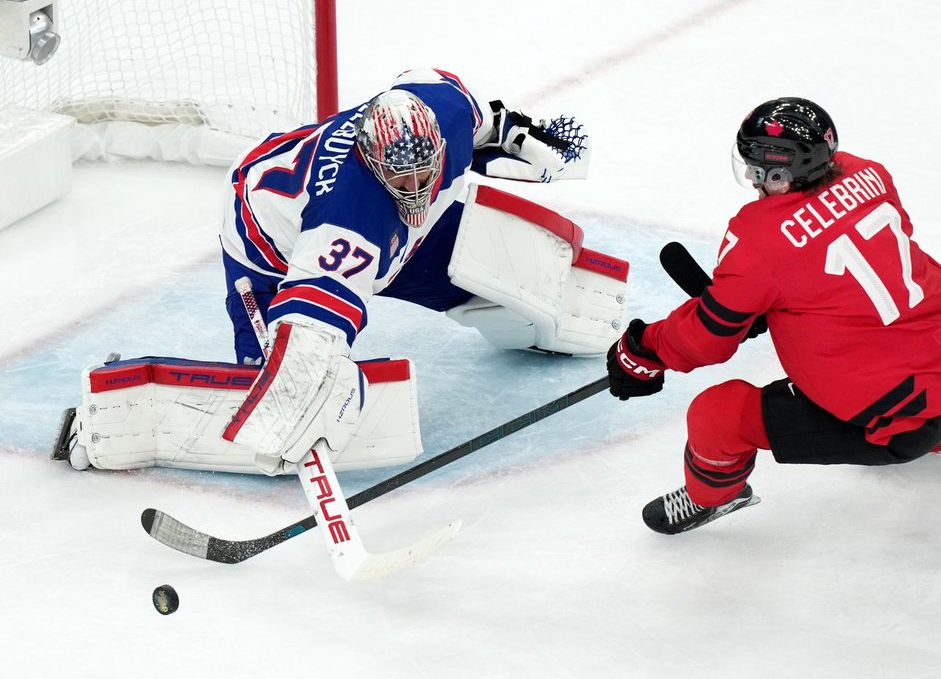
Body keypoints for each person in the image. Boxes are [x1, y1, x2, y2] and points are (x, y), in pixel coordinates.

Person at [54, 68, 628, 477]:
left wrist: (508, 129)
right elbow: (310, 331)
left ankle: (531, 322)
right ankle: (112, 416)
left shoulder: (444, 112)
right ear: (373, 162)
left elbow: (463, 108)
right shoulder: (348, 224)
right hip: (271, 249)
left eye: (423, 174)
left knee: (483, 276)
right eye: (398, 181)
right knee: (273, 407)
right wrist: (312, 377)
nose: (414, 190)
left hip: (379, 231)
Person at [606, 97, 941, 535]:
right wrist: (776, 302)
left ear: (780, 174)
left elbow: (705, 340)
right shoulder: (870, 173)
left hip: (898, 424)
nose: (750, 177)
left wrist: (642, 349)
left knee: (718, 414)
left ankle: (714, 496)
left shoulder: (757, 243)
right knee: (930, 325)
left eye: (754, 167)